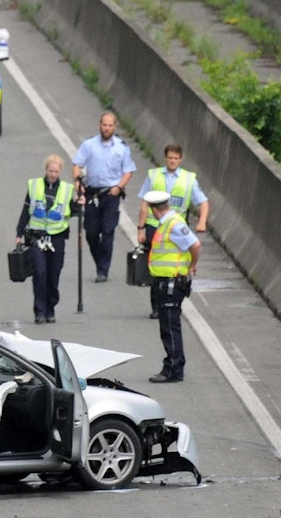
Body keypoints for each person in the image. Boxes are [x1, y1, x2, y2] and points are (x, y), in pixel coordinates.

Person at [136, 144, 209, 318]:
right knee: (156, 266)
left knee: (177, 265)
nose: (172, 161)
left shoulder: (188, 179)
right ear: (165, 157)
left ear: (180, 159)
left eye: (176, 158)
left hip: (176, 226)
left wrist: (202, 221)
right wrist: (141, 228)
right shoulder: (154, 176)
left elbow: (203, 202)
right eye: (170, 157)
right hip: (155, 226)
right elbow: (144, 203)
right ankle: (156, 306)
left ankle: (174, 298)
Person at [142, 189, 201, 384]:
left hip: (172, 283)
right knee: (167, 326)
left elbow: (195, 245)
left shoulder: (173, 224)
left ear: (153, 209)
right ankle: (173, 366)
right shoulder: (166, 223)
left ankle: (174, 369)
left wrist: (192, 266)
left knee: (170, 327)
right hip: (166, 282)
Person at [71, 112, 134, 282]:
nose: (106, 128)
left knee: (107, 231)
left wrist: (119, 187)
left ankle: (103, 270)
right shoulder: (89, 145)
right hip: (92, 194)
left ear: (115, 127)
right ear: (100, 125)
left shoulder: (122, 148)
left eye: (110, 125)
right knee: (91, 232)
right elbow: (77, 165)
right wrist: (78, 184)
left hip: (111, 194)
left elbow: (128, 171)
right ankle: (100, 261)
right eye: (104, 125)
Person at [15, 154, 76, 323]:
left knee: (53, 274)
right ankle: (39, 310)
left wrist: (80, 204)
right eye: (50, 171)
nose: (53, 174)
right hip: (36, 236)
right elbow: (26, 209)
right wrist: (19, 233)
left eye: (56, 171)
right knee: (39, 273)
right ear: (46, 169)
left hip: (56, 238)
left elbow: (73, 210)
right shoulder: (34, 186)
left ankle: (51, 308)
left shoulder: (66, 189)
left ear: (60, 171)